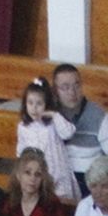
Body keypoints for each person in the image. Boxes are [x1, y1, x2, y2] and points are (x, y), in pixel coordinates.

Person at [50, 61, 108, 194]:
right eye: (65, 87)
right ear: (55, 91)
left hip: (90, 178)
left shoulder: (98, 115)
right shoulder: (50, 115)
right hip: (59, 176)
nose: (72, 92)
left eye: (76, 85)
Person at [17, 77, 78, 205]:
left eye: (39, 104)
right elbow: (21, 151)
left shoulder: (52, 123)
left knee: (62, 205)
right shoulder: (23, 127)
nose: (34, 108)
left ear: (46, 104)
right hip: (37, 174)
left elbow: (68, 133)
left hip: (58, 172)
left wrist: (54, 115)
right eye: (30, 103)